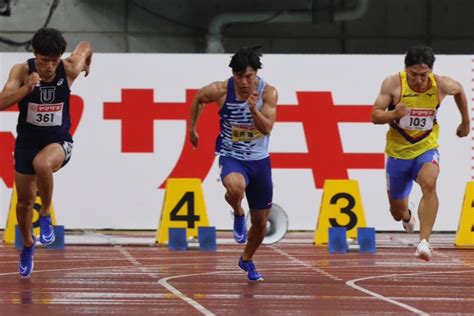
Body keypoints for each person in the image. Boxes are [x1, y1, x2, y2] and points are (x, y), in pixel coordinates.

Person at [0, 28, 93, 277]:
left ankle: (45, 214)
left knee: (43, 164)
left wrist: (88, 62)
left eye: (54, 60)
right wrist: (26, 90)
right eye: (44, 60)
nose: (49, 67)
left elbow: (85, 44)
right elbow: (1, 103)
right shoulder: (21, 71)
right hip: (27, 143)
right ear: (35, 55)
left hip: (58, 141)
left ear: (60, 57)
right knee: (23, 202)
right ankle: (28, 245)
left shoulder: (69, 68)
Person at [371, 45, 470, 261]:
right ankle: (407, 217)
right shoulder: (393, 84)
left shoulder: (441, 84)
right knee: (397, 212)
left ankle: (424, 242)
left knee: (429, 183)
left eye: (423, 75)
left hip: (426, 148)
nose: (418, 80)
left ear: (431, 72)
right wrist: (394, 114)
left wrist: (465, 122)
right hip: (398, 154)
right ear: (406, 70)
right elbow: (375, 116)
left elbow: (460, 90)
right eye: (413, 74)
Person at [189, 46, 278, 281]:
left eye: (249, 76)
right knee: (235, 188)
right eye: (240, 76)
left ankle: (246, 260)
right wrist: (193, 129)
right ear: (233, 75)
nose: (245, 82)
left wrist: (253, 110)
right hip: (232, 156)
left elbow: (267, 128)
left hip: (259, 162)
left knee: (260, 223)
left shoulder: (268, 93)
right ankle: (238, 212)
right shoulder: (220, 90)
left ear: (256, 74)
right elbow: (198, 98)